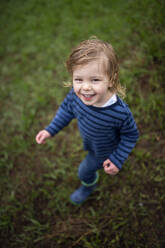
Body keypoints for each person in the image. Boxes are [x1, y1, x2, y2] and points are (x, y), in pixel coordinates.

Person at [36, 38, 139, 205]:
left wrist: (117, 158)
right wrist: (50, 130)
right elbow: (66, 110)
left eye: (95, 80)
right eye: (79, 79)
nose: (85, 87)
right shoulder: (76, 96)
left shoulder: (119, 112)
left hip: (105, 150)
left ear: (111, 80)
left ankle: (88, 186)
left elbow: (131, 135)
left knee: (83, 172)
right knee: (89, 152)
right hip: (91, 141)